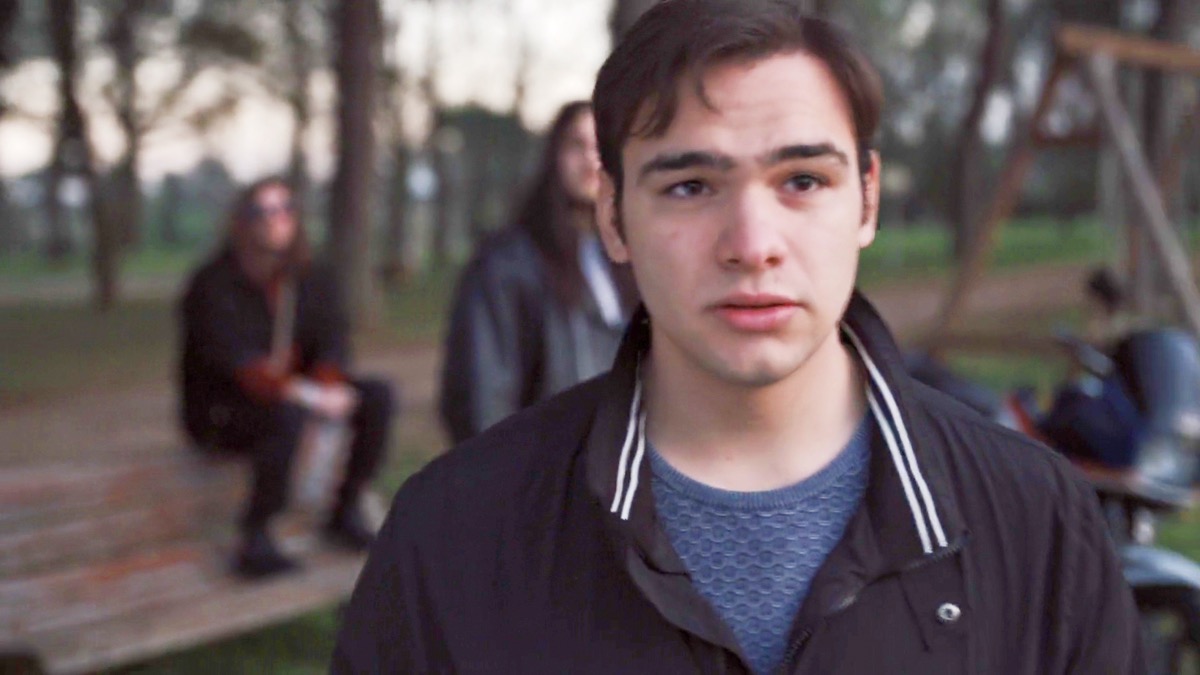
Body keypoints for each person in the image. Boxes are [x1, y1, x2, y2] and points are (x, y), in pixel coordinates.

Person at [332, 2, 1142, 672]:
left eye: (802, 181)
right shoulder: (455, 533)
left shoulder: (1038, 520)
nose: (752, 241)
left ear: (865, 200)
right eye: (690, 185)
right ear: (614, 216)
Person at [179, 177, 394, 579]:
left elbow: (333, 342)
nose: (277, 220)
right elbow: (232, 362)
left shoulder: (310, 278)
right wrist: (305, 395)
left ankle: (344, 509)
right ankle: (254, 535)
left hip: (296, 398)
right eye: (264, 211)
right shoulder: (213, 283)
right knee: (285, 416)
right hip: (224, 412)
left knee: (378, 396)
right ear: (243, 221)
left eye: (286, 209)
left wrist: (329, 383)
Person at [438, 101, 638, 443]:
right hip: (540, 468)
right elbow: (483, 389)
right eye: (577, 145)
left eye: (601, 148)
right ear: (554, 156)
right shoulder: (508, 262)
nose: (592, 160)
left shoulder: (628, 257)